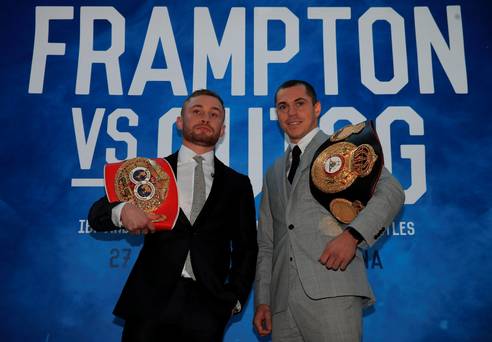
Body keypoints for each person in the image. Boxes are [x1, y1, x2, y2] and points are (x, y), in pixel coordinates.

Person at [88, 89, 258, 342]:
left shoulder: (238, 184)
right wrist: (122, 210)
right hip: (149, 302)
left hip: (208, 307)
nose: (205, 118)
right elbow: (95, 216)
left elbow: (247, 249)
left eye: (214, 114)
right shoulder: (150, 172)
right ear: (180, 121)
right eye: (197, 111)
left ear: (222, 129)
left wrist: (233, 300)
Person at [253, 80, 405, 341]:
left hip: (332, 288)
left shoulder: (342, 146)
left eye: (299, 104)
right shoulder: (273, 171)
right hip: (281, 305)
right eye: (283, 106)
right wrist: (263, 299)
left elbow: (392, 192)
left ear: (317, 108)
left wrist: (353, 235)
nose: (291, 113)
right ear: (276, 114)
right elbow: (268, 242)